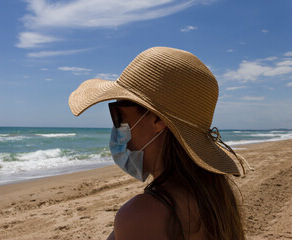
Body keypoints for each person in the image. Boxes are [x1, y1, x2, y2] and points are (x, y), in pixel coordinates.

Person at [69, 47, 251, 240]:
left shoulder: (143, 216)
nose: (117, 127)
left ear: (157, 120)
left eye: (118, 114)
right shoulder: (216, 198)